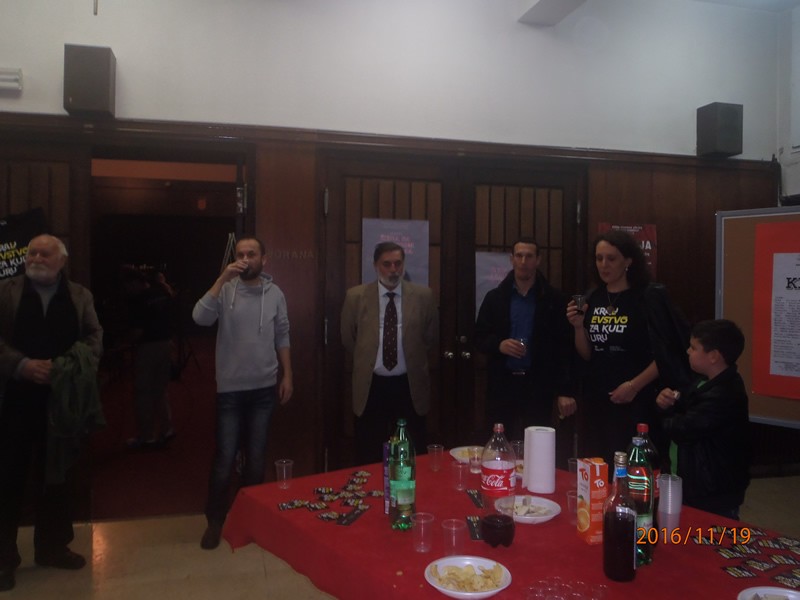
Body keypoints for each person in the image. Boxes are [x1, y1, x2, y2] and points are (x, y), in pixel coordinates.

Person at [0, 234, 104, 592]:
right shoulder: (5, 292)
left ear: (62, 260)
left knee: (58, 476)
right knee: (7, 478)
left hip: (62, 402)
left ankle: (52, 548)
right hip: (13, 400)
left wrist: (65, 368)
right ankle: (3, 559)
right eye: (32, 252)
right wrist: (22, 365)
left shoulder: (80, 296)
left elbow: (94, 338)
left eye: (45, 253)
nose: (36, 257)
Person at [192, 237, 293, 550]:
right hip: (231, 390)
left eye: (252, 254)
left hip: (263, 388)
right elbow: (199, 318)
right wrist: (222, 277)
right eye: (241, 254)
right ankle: (215, 521)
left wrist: (288, 374)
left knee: (256, 460)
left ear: (264, 259)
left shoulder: (275, 293)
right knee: (225, 458)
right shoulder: (225, 290)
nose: (246, 258)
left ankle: (249, 519)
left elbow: (282, 334)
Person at [566, 229, 689, 467]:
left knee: (634, 464)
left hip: (639, 396)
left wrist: (634, 386)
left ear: (628, 261)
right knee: (598, 460)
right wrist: (578, 327)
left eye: (611, 258)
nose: (604, 265)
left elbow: (667, 352)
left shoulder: (648, 297)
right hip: (598, 396)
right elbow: (587, 353)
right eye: (599, 258)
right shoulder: (593, 297)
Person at [341, 242, 438, 465]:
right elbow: (348, 338)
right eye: (387, 264)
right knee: (369, 451)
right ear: (376, 265)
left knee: (410, 451)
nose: (393, 269)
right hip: (371, 386)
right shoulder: (356, 297)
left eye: (397, 263)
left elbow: (430, 337)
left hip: (408, 386)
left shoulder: (423, 296)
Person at [474, 238, 576, 440]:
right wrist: (499, 345)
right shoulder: (495, 297)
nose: (523, 261)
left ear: (538, 260)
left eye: (529, 256)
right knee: (499, 445)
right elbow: (478, 337)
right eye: (519, 256)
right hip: (502, 385)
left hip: (538, 385)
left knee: (537, 445)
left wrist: (565, 389)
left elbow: (564, 347)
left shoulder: (555, 299)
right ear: (511, 259)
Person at [656, 319, 750, 519]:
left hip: (711, 491)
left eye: (693, 347)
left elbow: (683, 428)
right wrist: (668, 399)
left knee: (709, 533)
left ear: (713, 356)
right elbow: (684, 403)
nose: (688, 351)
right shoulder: (704, 382)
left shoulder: (725, 393)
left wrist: (664, 412)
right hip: (691, 483)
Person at [120, 266, 175, 449]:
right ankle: (167, 428)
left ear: (135, 283)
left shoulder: (138, 300)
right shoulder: (161, 292)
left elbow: (138, 331)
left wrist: (125, 342)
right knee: (160, 389)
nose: (127, 290)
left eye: (128, 286)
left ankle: (147, 436)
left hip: (148, 347)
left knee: (143, 392)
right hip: (166, 343)